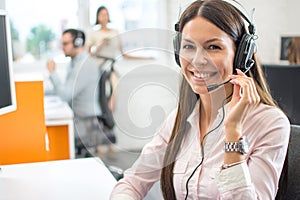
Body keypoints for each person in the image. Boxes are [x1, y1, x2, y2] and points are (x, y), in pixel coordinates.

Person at [110, 0, 290, 199]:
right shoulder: (179, 120)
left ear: (241, 55)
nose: (198, 60)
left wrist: (233, 134)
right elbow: (131, 183)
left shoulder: (270, 124)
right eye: (188, 46)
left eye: (213, 47)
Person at [46, 28, 104, 157]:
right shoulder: (74, 62)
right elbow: (64, 89)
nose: (62, 47)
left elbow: (65, 95)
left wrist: (52, 73)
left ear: (77, 43)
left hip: (86, 123)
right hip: (80, 119)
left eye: (65, 44)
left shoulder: (83, 65)